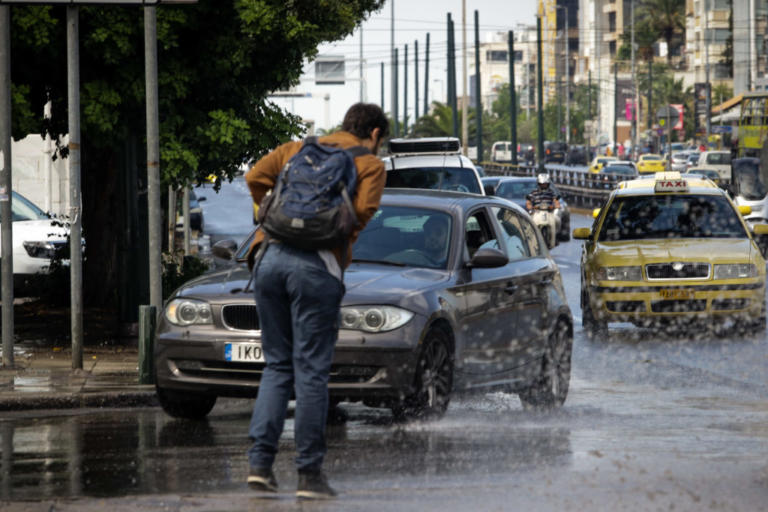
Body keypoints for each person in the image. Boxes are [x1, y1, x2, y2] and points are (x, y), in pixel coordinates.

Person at [244, 103, 389, 499]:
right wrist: (327, 230)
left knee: (277, 365)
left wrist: (273, 215)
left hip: (269, 258)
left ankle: (259, 465)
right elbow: (361, 214)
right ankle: (308, 477)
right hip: (317, 267)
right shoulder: (370, 166)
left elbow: (255, 177)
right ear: (374, 135)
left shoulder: (296, 148)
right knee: (310, 372)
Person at [526, 173, 561, 248]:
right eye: (542, 184)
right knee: (529, 225)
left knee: (557, 220)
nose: (544, 185)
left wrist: (555, 206)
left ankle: (555, 237)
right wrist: (531, 207)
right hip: (537, 213)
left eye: (545, 184)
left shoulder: (551, 192)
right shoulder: (534, 192)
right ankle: (530, 241)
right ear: (539, 184)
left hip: (549, 212)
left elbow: (556, 201)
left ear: (548, 184)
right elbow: (528, 202)